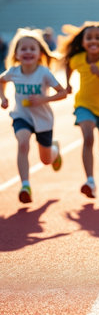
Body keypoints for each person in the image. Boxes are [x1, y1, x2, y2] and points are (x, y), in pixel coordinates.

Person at [0, 28, 66, 203]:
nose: (27, 52)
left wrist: (43, 99)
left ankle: (55, 150)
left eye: (32, 48)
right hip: (22, 116)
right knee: (22, 143)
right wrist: (3, 97)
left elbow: (62, 93)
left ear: (39, 53)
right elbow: (1, 80)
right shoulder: (13, 72)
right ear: (16, 53)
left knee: (46, 160)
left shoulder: (44, 73)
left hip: (43, 119)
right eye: (23, 48)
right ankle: (25, 185)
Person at [61, 21, 99, 199]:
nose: (93, 41)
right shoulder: (79, 58)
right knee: (88, 138)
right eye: (89, 38)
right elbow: (68, 64)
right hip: (84, 105)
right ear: (82, 42)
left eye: (98, 38)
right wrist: (67, 84)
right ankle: (90, 181)